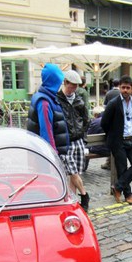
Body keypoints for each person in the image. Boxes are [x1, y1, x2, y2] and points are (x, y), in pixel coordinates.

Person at [101, 75, 132, 205]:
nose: (125, 90)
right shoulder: (113, 103)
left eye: (128, 88)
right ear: (119, 87)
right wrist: (114, 135)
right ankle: (128, 195)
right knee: (122, 169)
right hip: (118, 141)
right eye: (123, 87)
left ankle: (117, 187)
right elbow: (104, 123)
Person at [57, 70, 91, 211]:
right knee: (72, 170)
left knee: (74, 174)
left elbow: (86, 119)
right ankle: (84, 195)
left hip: (78, 140)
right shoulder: (58, 99)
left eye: (76, 86)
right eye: (71, 86)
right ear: (65, 83)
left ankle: (73, 202)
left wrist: (82, 134)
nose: (73, 89)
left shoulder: (78, 100)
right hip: (65, 141)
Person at [27, 63, 70, 155]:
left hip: (41, 152)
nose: (60, 84)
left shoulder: (44, 97)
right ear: (54, 81)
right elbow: (46, 133)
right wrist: (53, 156)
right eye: (59, 81)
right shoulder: (44, 102)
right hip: (47, 155)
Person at [85, 105, 110, 171]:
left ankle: (84, 167)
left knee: (86, 147)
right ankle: (109, 163)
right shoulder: (110, 119)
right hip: (111, 148)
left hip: (99, 149)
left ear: (95, 114)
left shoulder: (94, 122)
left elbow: (87, 137)